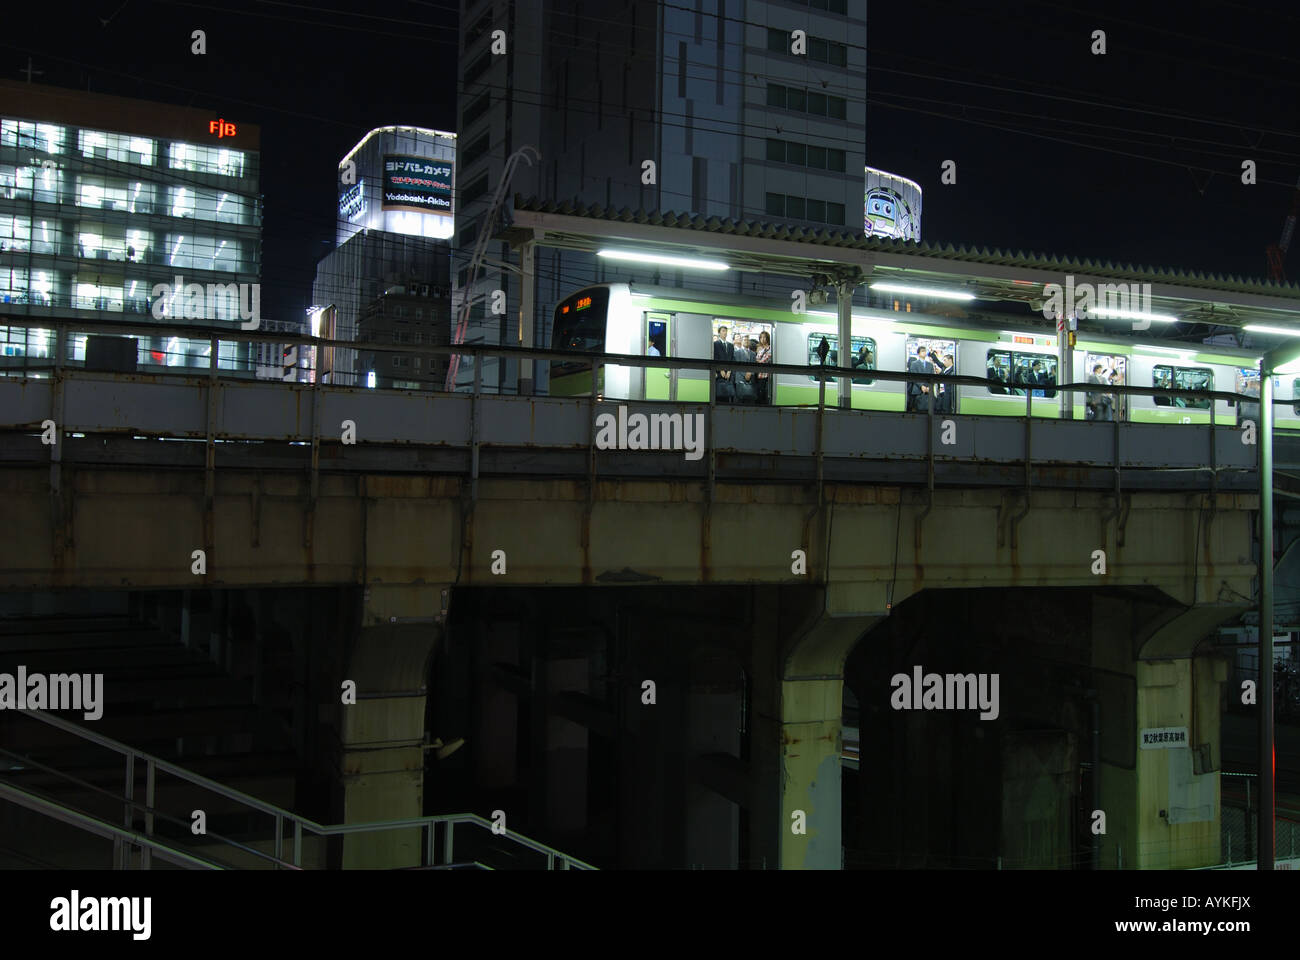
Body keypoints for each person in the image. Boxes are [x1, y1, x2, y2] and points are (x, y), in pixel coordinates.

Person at [713, 325, 735, 402]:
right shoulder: (715, 344)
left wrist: (729, 371)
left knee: (727, 395)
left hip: (729, 374)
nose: (725, 332)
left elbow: (732, 359)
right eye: (723, 331)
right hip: (719, 373)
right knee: (719, 394)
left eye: (726, 331)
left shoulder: (731, 345)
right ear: (719, 333)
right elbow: (715, 358)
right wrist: (720, 369)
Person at [907, 345, 932, 411]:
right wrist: (921, 386)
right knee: (916, 409)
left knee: (927, 409)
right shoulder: (914, 364)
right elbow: (914, 377)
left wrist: (929, 386)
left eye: (925, 351)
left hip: (928, 390)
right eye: (922, 351)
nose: (924, 352)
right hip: (917, 390)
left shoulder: (930, 364)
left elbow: (932, 377)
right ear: (918, 353)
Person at [755, 330, 772, 405]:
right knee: (759, 392)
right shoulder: (761, 350)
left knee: (764, 393)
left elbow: (765, 360)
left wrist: (759, 361)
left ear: (768, 338)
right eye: (761, 337)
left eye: (764, 337)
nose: (762, 339)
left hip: (766, 375)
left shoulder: (771, 349)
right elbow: (757, 359)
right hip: (759, 374)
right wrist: (759, 360)